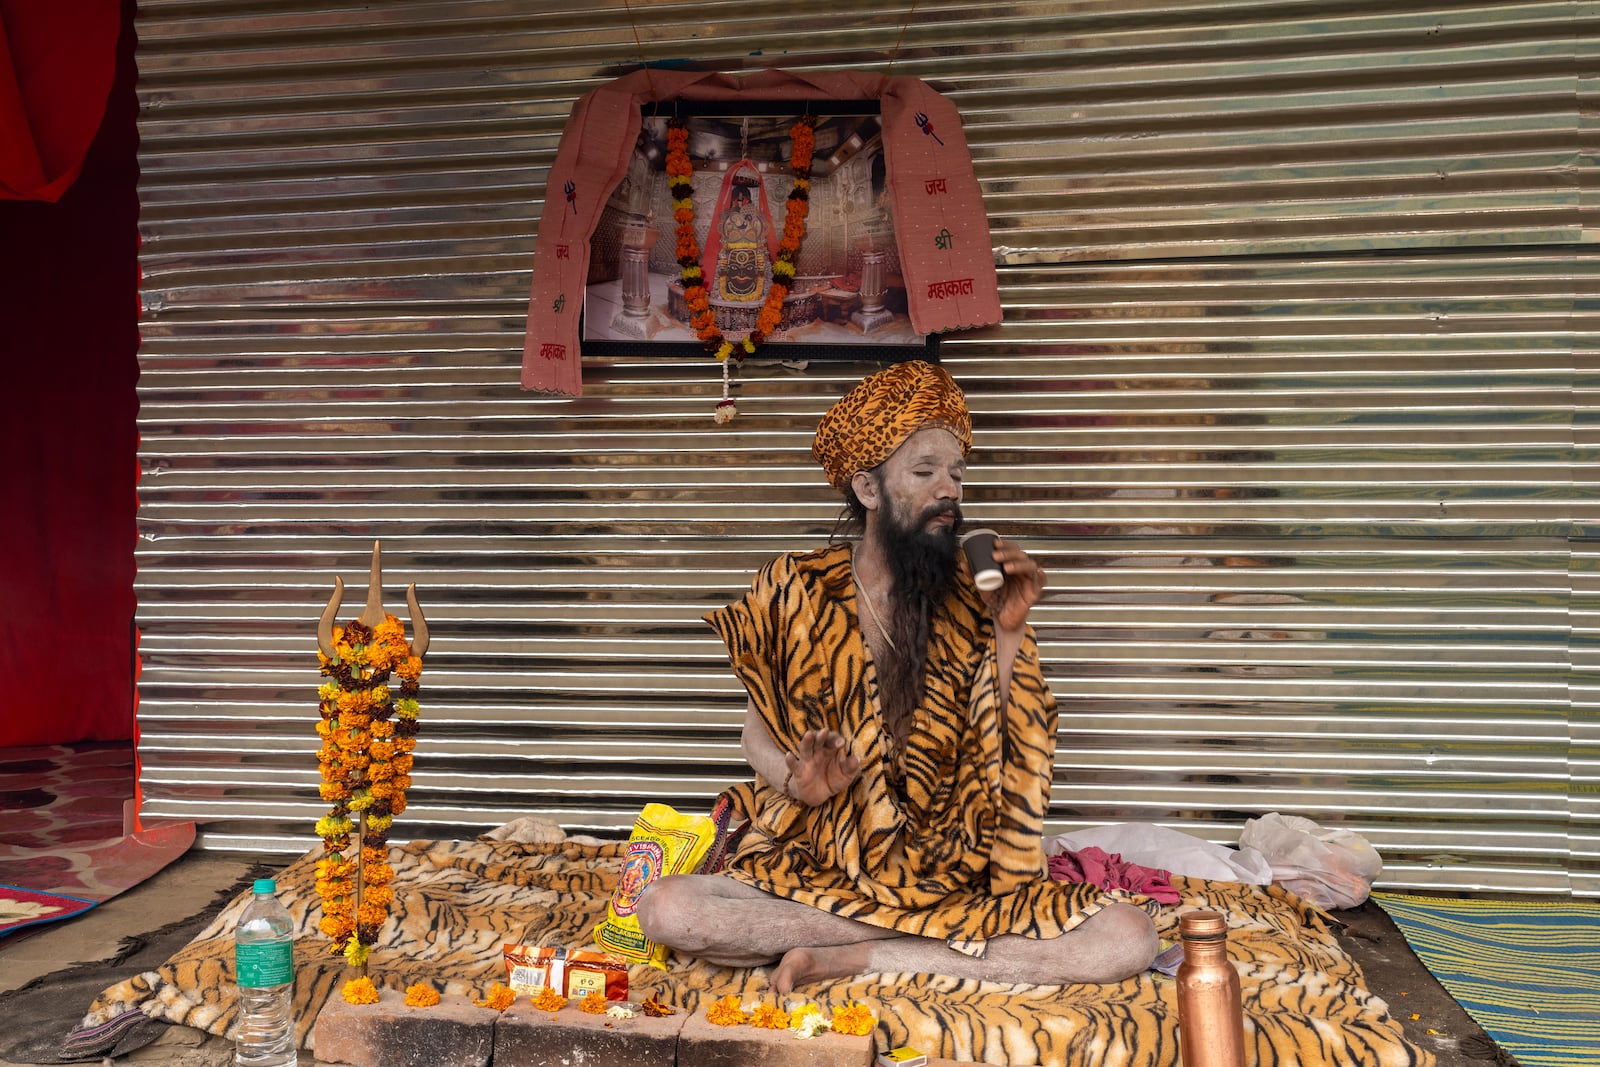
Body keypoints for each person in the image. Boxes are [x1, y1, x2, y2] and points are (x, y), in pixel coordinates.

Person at [636, 361, 1158, 994]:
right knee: (665, 909)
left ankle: (856, 954)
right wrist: (796, 783)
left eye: (957, 473)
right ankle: (911, 940)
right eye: (925, 471)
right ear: (867, 488)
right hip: (821, 859)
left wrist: (1011, 632)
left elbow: (1017, 755)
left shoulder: (976, 597)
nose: (951, 490)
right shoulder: (794, 588)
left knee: (1131, 937)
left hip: (952, 870)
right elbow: (755, 736)